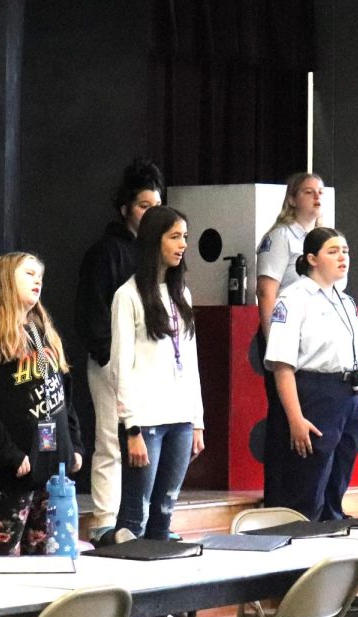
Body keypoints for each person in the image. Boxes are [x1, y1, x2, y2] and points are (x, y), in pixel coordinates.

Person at [0, 253, 85, 555]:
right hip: (12, 474)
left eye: (39, 274)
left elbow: (62, 395)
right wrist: (9, 455)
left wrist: (75, 446)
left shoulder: (42, 331)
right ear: (5, 280)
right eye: (28, 273)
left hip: (53, 471)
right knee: (7, 560)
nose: (37, 279)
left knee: (48, 557)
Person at [76, 159, 164, 541]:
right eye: (144, 206)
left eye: (156, 207)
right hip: (111, 363)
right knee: (111, 441)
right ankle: (104, 521)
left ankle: (142, 519)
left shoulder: (160, 254)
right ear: (126, 207)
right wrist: (108, 355)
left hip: (151, 367)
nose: (149, 214)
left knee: (150, 441)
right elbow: (91, 312)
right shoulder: (106, 253)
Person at [263, 227, 358, 520]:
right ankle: (303, 548)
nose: (342, 257)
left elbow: (355, 359)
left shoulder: (344, 300)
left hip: (347, 394)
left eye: (346, 251)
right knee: (308, 487)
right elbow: (282, 365)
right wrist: (295, 418)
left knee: (337, 482)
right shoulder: (294, 299)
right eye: (333, 251)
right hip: (314, 393)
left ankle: (332, 531)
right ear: (311, 258)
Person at [110, 205, 204, 540]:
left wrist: (197, 421)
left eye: (185, 238)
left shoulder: (182, 294)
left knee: (164, 516)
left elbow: (190, 361)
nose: (183, 245)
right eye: (175, 237)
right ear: (154, 240)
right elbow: (121, 367)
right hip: (145, 422)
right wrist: (131, 428)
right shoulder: (128, 295)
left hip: (180, 419)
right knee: (136, 516)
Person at [255, 173, 326, 501]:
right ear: (293, 198)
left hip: (312, 341)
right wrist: (273, 340)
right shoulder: (281, 237)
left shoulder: (322, 239)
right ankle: (278, 498)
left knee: (310, 413)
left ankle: (307, 498)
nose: (316, 197)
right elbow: (267, 291)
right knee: (285, 417)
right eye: (309, 191)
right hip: (284, 334)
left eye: (320, 192)